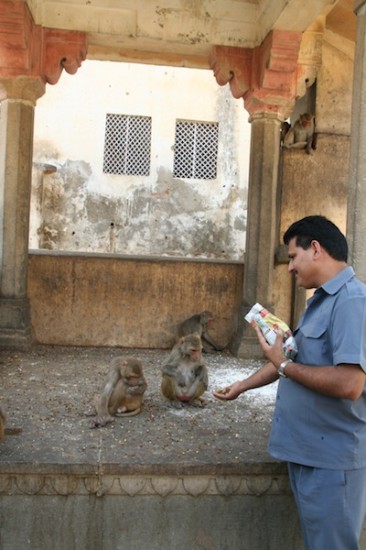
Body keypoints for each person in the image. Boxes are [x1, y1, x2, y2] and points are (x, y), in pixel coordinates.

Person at [214, 215, 366, 550]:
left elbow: (350, 383)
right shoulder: (320, 302)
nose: (290, 267)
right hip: (309, 454)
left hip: (332, 462)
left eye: (293, 256)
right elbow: (293, 361)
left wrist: (282, 363)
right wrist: (243, 385)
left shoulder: (353, 302)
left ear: (315, 249)